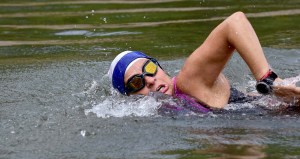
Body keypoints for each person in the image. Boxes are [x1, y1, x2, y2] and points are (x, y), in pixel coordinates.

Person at [108, 11, 300, 113]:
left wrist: (270, 81)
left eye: (149, 69)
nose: (149, 80)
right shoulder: (173, 108)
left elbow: (235, 23)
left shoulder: (187, 81)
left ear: (159, 66)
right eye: (136, 82)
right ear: (129, 98)